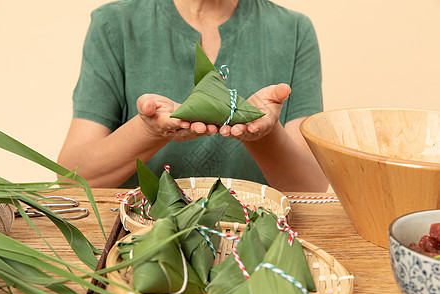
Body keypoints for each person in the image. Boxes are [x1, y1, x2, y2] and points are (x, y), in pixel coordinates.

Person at [57, 0, 329, 192]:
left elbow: (312, 186)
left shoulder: (293, 30)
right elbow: (71, 178)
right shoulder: (114, 25)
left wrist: (264, 134)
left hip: (255, 245)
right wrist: (149, 130)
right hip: (144, 246)